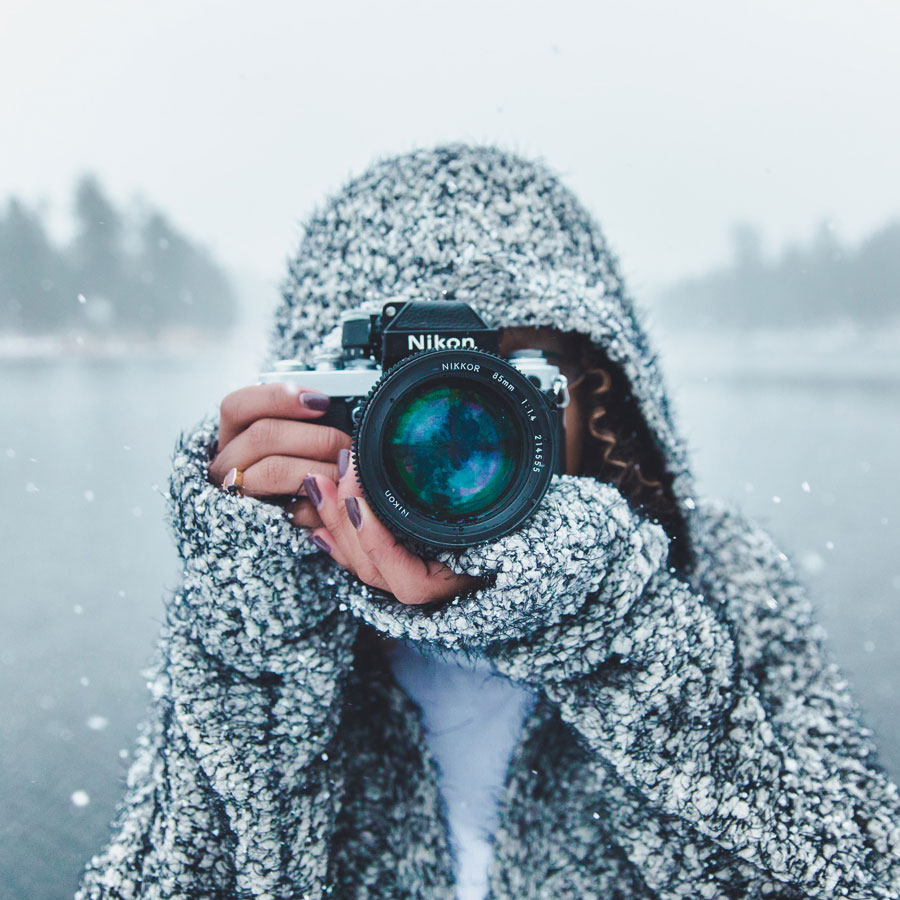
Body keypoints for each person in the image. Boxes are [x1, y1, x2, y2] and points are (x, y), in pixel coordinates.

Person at [77, 144, 900, 900]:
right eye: (400, 398)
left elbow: (856, 869)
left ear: (594, 398)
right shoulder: (270, 614)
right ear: (320, 402)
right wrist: (253, 641)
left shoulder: (722, 581)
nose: (449, 443)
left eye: (499, 392)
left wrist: (614, 629)